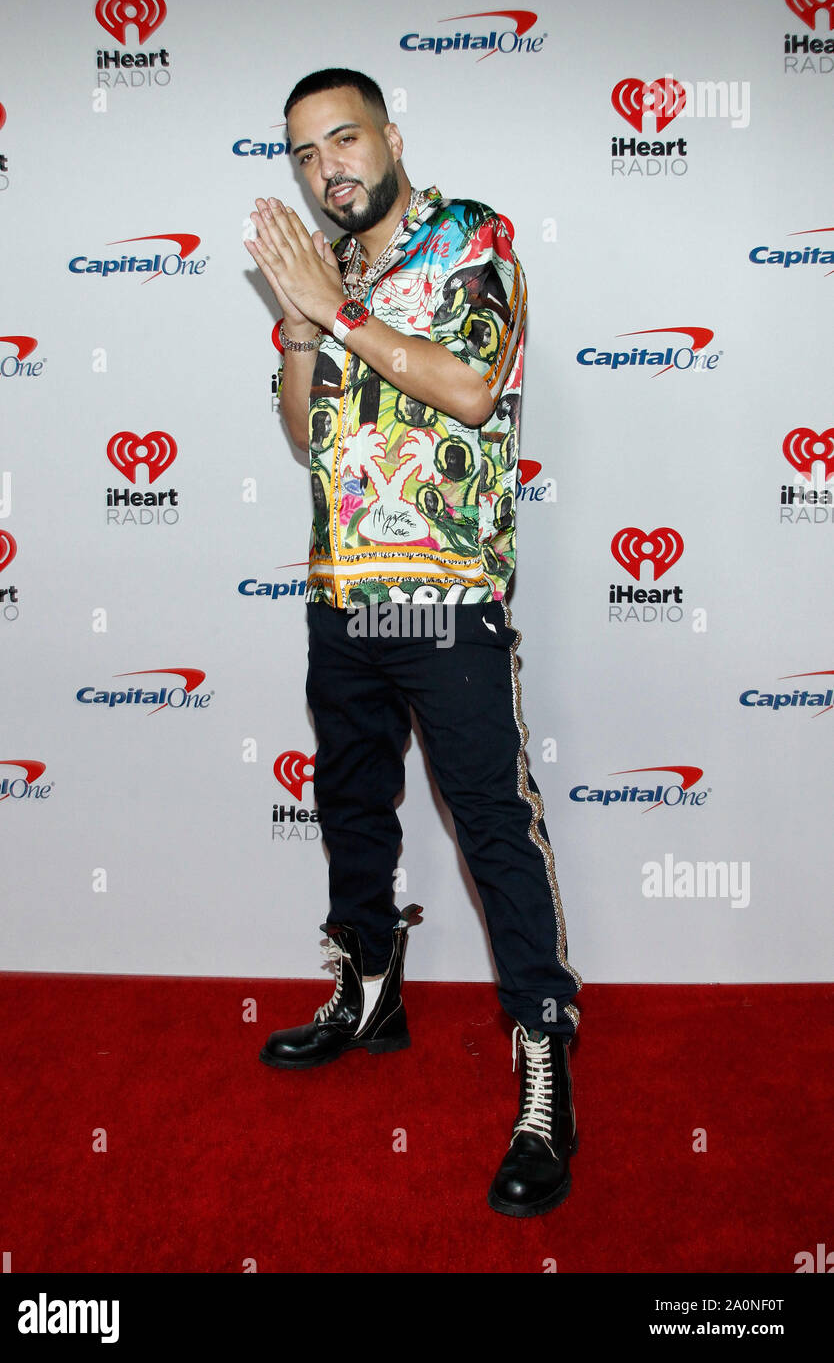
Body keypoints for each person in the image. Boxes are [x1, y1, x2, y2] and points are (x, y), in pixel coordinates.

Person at [243, 68, 582, 1217]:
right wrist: (299, 324)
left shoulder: (466, 237)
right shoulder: (325, 272)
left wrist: (336, 314)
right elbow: (305, 433)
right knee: (350, 804)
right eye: (302, 154)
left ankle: (541, 1061)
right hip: (343, 592)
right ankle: (369, 991)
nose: (326, 166)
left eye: (342, 138)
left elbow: (472, 388)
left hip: (446, 600)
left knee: (492, 823)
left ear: (390, 137)